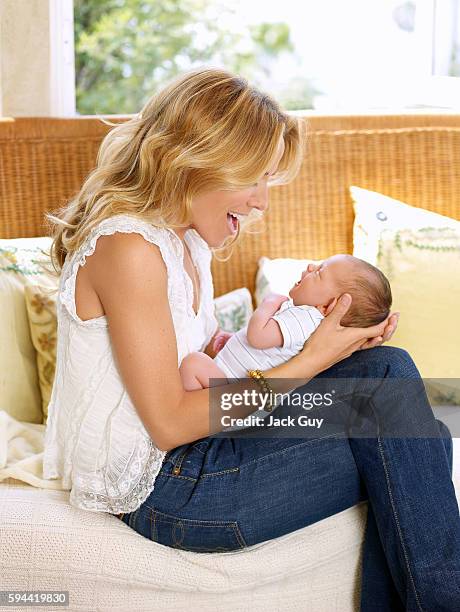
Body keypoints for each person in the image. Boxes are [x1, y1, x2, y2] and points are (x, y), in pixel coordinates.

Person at [42, 67, 460, 610]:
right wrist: (308, 362)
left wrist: (338, 347)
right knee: (411, 431)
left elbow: (215, 351)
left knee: (388, 375)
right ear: (200, 160)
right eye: (256, 178)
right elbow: (169, 424)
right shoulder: (130, 249)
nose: (262, 201)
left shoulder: (183, 241)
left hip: (207, 451)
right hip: (170, 489)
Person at [180, 254, 392, 389]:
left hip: (231, 392)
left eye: (319, 272)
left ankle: (191, 422)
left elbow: (258, 336)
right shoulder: (305, 321)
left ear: (329, 306)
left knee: (193, 363)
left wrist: (268, 302)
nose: (310, 266)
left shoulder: (305, 319)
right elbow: (263, 346)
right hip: (233, 387)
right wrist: (234, 339)